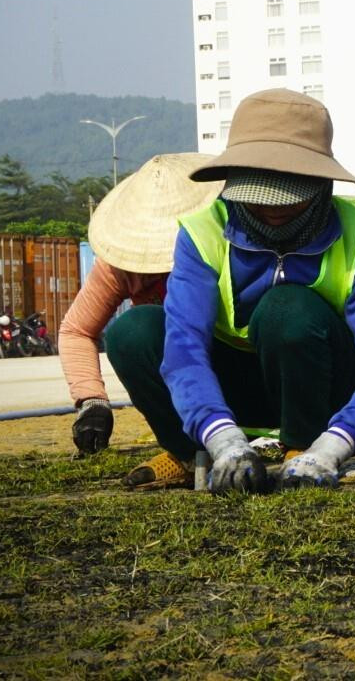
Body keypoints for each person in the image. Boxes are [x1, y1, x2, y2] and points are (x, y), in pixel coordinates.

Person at [106, 88, 355, 492]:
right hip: (231, 387)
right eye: (258, 194)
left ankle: (301, 448)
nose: (272, 208)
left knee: (287, 308)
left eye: (290, 196)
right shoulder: (203, 233)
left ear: (321, 183)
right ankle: (190, 452)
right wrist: (224, 440)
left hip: (322, 385)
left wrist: (334, 446)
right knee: (132, 331)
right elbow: (184, 352)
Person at [59, 153, 221, 483]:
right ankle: (186, 451)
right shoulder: (123, 265)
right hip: (182, 371)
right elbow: (77, 330)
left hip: (232, 361)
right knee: (132, 331)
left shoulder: (226, 239)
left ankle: (298, 439)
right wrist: (92, 401)